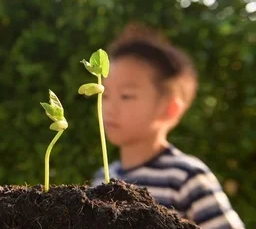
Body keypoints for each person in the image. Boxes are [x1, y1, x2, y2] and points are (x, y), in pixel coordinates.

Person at [91, 23, 244, 229]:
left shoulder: (186, 177)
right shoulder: (104, 178)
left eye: (126, 96)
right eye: (105, 95)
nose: (108, 107)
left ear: (169, 109)